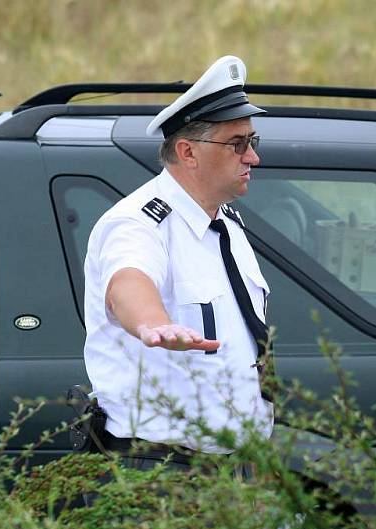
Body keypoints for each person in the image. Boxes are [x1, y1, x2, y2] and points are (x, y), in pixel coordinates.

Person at [83, 55, 273, 467]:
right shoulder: (138, 223)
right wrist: (152, 323)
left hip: (234, 466)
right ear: (188, 151)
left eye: (252, 142)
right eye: (237, 144)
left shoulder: (224, 222)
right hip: (162, 473)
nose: (252, 157)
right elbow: (128, 283)